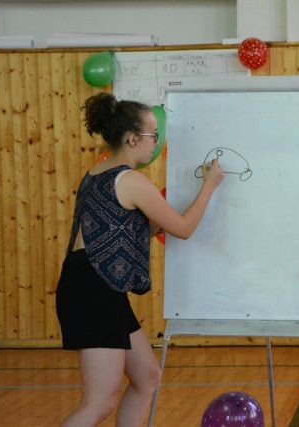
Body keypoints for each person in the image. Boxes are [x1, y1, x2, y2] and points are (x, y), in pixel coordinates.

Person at [55, 92, 224, 427]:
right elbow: (184, 229)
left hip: (93, 284)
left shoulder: (97, 174)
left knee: (146, 378)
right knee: (99, 403)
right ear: (133, 138)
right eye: (153, 135)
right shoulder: (131, 180)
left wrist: (155, 219)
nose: (156, 144)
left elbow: (117, 235)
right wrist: (209, 186)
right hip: (93, 289)